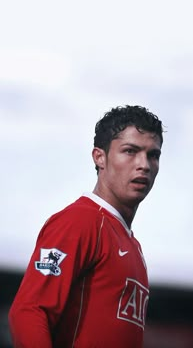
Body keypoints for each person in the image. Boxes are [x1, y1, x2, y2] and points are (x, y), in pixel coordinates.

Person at [9, 105, 163, 348]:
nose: (144, 164)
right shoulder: (80, 221)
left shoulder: (132, 244)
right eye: (130, 151)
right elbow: (28, 311)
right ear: (99, 157)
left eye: (153, 155)